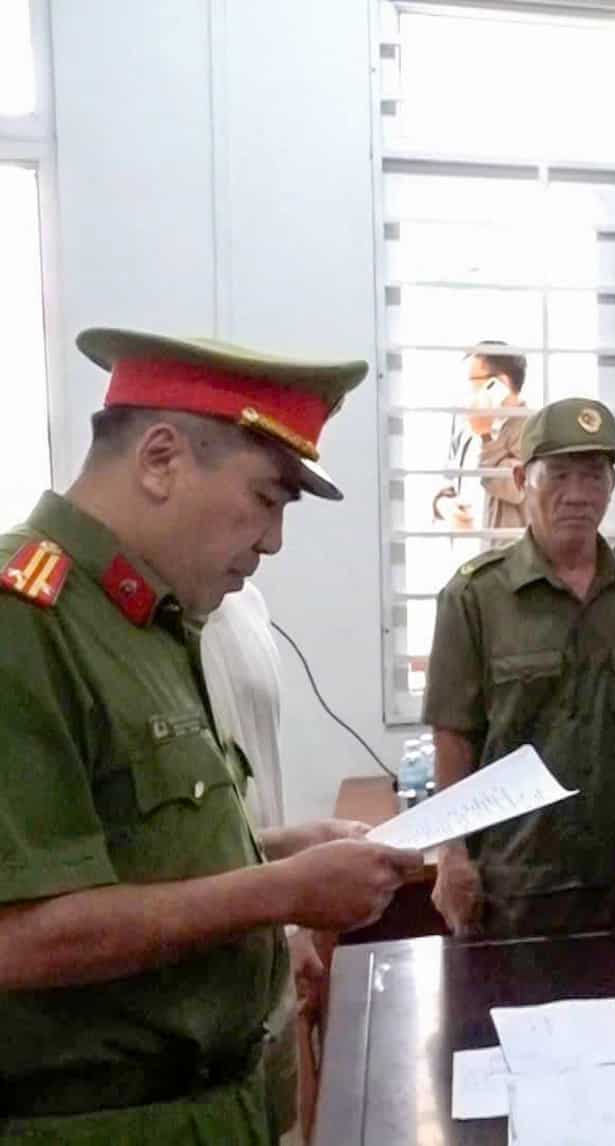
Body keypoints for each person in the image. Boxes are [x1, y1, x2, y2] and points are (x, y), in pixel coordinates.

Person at [0, 328, 425, 1142]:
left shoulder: (148, 619)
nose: (273, 540)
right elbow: (17, 937)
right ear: (160, 459)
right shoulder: (24, 619)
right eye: (267, 499)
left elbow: (129, 847)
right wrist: (283, 892)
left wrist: (276, 849)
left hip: (213, 1108)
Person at [425, 397, 615, 939]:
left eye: (595, 475)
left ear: (612, 485)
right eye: (559, 475)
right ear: (520, 480)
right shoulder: (475, 596)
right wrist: (450, 853)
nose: (578, 494)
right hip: (516, 881)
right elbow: (452, 732)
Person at [201, 580, 333, 1143]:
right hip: (190, 991)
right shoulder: (126, 625)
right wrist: (286, 890)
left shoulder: (244, 601)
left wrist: (290, 924)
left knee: (283, 1124)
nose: (272, 542)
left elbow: (258, 779)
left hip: (264, 950)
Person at [432, 341, 528, 540]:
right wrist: (444, 506)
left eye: (472, 380)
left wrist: (485, 435)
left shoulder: (531, 429)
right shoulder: (466, 428)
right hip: (469, 555)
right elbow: (447, 480)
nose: (467, 390)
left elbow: (515, 489)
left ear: (500, 384)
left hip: (505, 556)